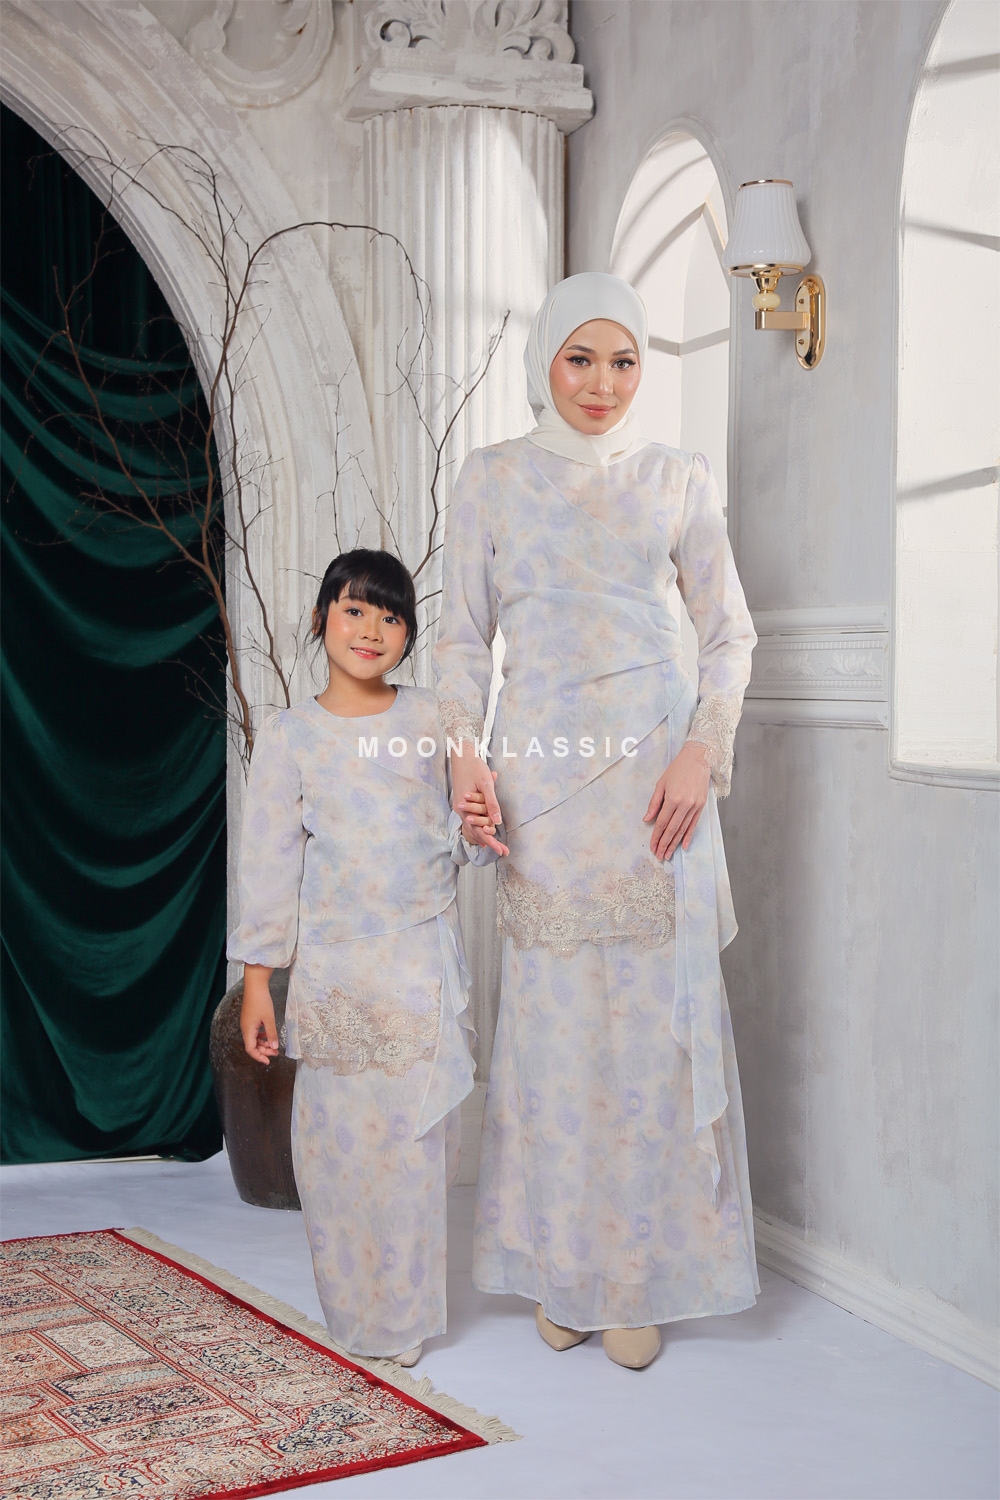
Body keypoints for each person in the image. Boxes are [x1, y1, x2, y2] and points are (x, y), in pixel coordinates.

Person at [434, 273, 759, 1370]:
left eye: (624, 362)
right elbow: (461, 639)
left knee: (648, 1035)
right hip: (540, 787)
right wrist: (464, 753)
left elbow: (728, 635)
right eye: (582, 358)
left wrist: (701, 752)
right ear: (547, 360)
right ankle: (561, 1269)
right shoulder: (491, 478)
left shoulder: (676, 477)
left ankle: (635, 1275)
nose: (602, 384)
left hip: (654, 789)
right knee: (555, 1034)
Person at [229, 549, 493, 1366]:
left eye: (391, 615)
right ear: (321, 620)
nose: (372, 629)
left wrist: (477, 828)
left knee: (415, 1151)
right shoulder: (290, 737)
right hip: (336, 976)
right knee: (337, 1151)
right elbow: (268, 866)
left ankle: (404, 1316)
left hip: (418, 967)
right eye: (354, 610)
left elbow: (464, 835)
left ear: (408, 634)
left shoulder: (435, 719)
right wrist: (258, 983)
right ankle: (353, 1309)